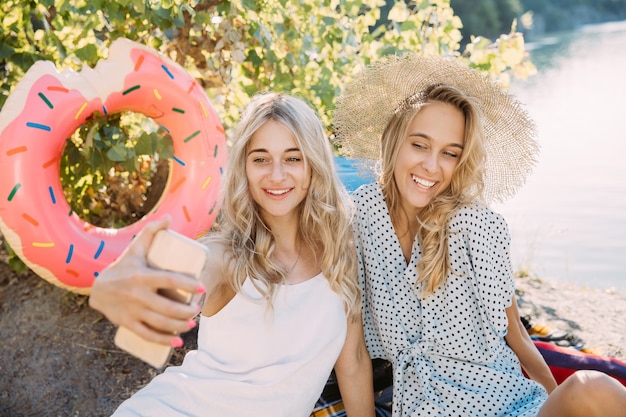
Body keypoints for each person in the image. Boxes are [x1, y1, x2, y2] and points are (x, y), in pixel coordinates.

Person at [332, 54, 626, 417]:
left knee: (590, 388)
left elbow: (516, 335)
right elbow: (355, 355)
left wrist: (555, 401)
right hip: (425, 409)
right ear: (394, 140)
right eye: (419, 145)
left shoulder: (475, 225)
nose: (431, 166)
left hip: (510, 404)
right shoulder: (357, 221)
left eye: (449, 153)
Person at [89, 92, 375, 417]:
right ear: (244, 167)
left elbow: (352, 360)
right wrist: (113, 290)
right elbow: (194, 270)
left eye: (293, 158)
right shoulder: (227, 257)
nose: (277, 174)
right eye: (261, 159)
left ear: (314, 165)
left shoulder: (340, 250)